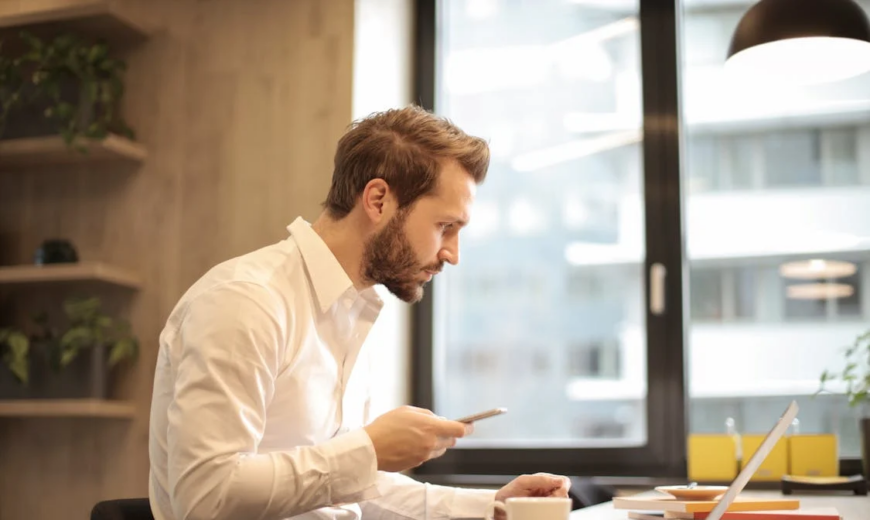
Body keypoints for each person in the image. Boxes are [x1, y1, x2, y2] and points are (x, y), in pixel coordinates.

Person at [147, 105, 571, 520]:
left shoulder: (351, 313)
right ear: (378, 199)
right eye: (446, 227)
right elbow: (205, 498)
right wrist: (368, 449)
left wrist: (491, 507)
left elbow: (345, 486)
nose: (452, 254)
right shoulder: (246, 301)